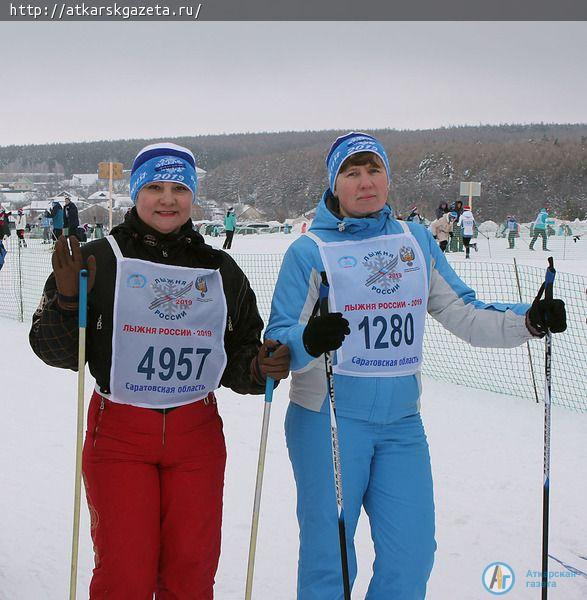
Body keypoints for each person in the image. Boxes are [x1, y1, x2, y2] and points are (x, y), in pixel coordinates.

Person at [265, 132, 567, 600]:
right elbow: (278, 341)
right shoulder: (309, 251)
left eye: (374, 171)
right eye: (352, 173)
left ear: (387, 177)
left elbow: (464, 311)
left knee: (413, 554)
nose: (365, 183)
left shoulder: (416, 240)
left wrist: (529, 321)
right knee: (331, 560)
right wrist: (307, 340)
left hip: (402, 424)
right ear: (334, 184)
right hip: (328, 420)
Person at [29, 142, 291, 600]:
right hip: (121, 433)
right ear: (135, 192)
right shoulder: (98, 259)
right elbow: (58, 353)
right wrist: (68, 299)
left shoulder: (218, 269)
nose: (167, 199)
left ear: (192, 196)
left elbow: (239, 353)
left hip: (196, 432)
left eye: (179, 188)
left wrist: (261, 364)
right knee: (124, 573)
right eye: (154, 186)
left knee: (190, 572)